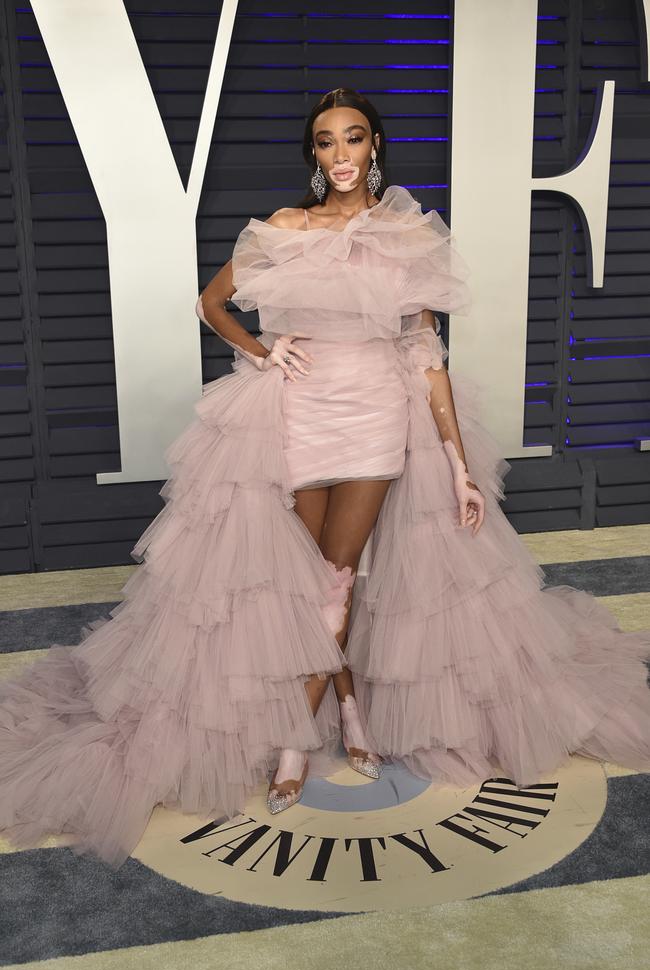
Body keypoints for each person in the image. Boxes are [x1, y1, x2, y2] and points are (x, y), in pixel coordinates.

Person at [1, 89, 649, 871]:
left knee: (338, 584)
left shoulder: (407, 235)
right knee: (306, 584)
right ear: (314, 156)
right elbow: (212, 303)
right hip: (299, 419)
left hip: (376, 419)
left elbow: (428, 358)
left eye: (353, 139)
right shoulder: (283, 228)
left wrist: (457, 465)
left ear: (375, 145)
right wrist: (264, 352)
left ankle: (289, 743)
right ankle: (347, 701)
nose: (340, 155)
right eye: (325, 142)